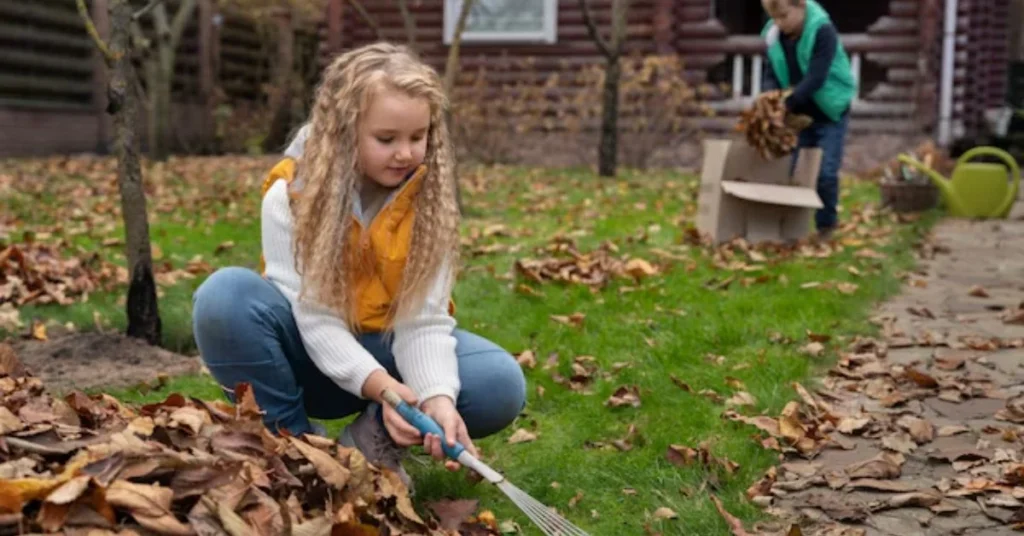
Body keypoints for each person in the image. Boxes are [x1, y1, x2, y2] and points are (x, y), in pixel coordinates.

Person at [191, 42, 527, 488]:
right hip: (303, 356)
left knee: (498, 382)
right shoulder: (291, 197)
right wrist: (381, 387)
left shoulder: (431, 206)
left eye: (417, 137)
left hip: (383, 349)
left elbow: (422, 321)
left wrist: (436, 398)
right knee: (225, 296)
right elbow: (315, 318)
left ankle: (368, 445)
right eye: (386, 139)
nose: (406, 154)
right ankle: (294, 449)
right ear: (344, 131)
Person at [760, 0, 857, 239]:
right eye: (774, 18)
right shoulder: (775, 35)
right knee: (794, 170)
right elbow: (771, 72)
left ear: (800, 5)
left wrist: (786, 104)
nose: (779, 24)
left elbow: (816, 78)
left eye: (784, 16)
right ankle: (792, 229)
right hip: (799, 113)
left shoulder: (823, 31)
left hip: (830, 111)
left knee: (825, 173)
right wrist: (770, 96)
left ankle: (826, 226)